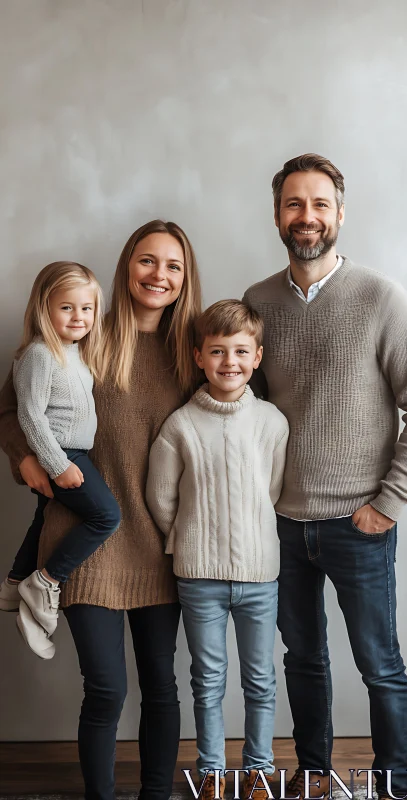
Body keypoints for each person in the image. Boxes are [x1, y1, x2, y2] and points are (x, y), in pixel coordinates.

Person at [243, 154, 407, 800]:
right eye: (294, 204)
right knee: (302, 659)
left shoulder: (381, 298)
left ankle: (394, 785)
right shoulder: (258, 302)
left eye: (320, 204)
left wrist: (390, 501)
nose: (307, 216)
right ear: (278, 215)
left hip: (360, 523)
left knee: (379, 664)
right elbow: (247, 408)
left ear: (340, 214)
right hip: (282, 523)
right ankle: (314, 773)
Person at [0, 220, 202, 800]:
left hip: (161, 548)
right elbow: (10, 409)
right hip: (84, 544)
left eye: (173, 266)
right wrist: (26, 459)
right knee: (107, 690)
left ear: (185, 278)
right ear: (125, 266)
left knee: (162, 687)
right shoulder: (85, 327)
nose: (158, 275)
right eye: (147, 260)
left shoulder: (193, 351)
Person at [146, 300, 289, 800]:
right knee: (207, 680)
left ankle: (258, 771)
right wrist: (192, 535)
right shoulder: (180, 426)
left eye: (241, 351)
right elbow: (161, 498)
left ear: (257, 357)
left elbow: (271, 490)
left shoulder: (272, 422)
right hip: (199, 578)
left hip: (259, 575)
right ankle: (211, 772)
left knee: (260, 680)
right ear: (199, 357)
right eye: (218, 351)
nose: (230, 361)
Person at [0, 261, 121, 660]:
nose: (78, 317)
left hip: (73, 452)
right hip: (63, 454)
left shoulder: (77, 353)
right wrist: (57, 465)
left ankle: (14, 585)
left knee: (43, 519)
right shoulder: (39, 354)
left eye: (87, 308)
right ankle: (46, 581)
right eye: (66, 307)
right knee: (106, 516)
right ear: (44, 308)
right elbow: (30, 416)